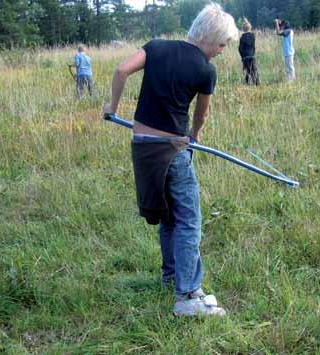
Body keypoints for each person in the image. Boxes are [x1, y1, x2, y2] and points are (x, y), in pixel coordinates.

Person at [102, 3, 238, 317]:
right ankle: (189, 296)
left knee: (168, 217)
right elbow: (202, 114)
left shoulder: (156, 47)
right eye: (222, 44)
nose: (222, 50)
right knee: (189, 221)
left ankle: (171, 277)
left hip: (143, 147)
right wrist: (194, 134)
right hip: (172, 151)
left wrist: (112, 106)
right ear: (208, 38)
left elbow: (121, 70)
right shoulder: (205, 70)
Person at [238, 18, 260, 85]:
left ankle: (248, 83)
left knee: (247, 70)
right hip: (252, 55)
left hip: (245, 57)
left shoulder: (242, 37)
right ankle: (257, 83)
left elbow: (240, 49)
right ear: (250, 28)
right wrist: (253, 53)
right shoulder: (253, 36)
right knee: (254, 69)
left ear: (243, 29)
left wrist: (242, 56)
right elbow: (253, 46)